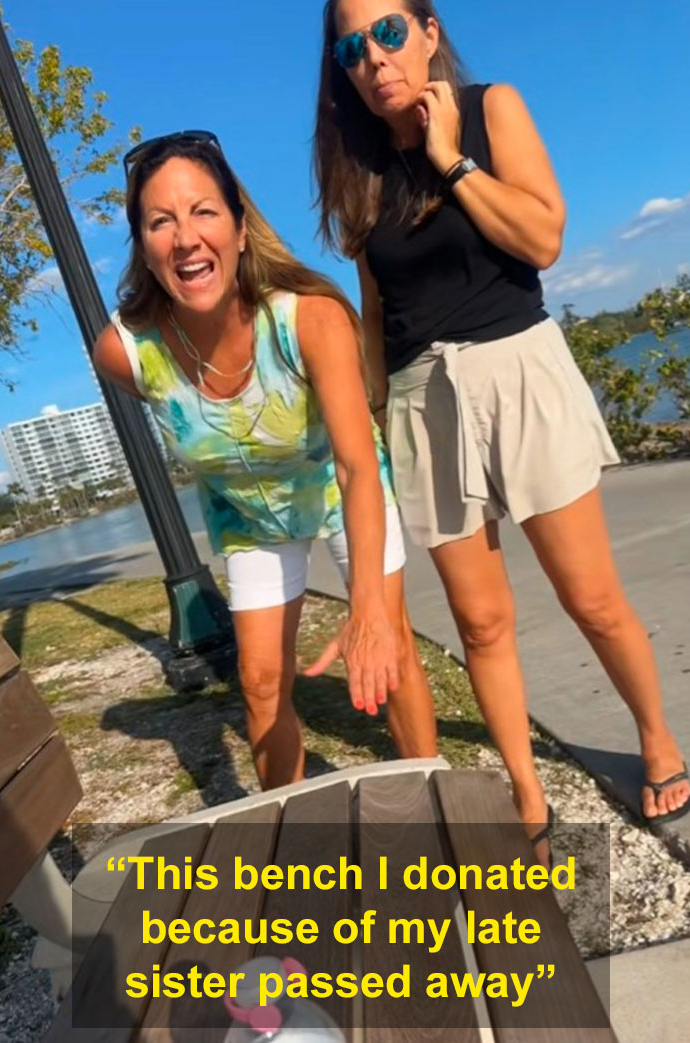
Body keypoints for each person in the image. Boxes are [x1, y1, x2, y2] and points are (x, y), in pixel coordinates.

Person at [313, 0, 690, 847]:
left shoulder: (493, 110)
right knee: (480, 622)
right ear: (342, 71)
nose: (374, 58)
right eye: (351, 48)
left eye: (388, 32)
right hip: (420, 399)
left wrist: (450, 163)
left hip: (517, 370)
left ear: (429, 32)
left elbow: (544, 236)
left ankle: (658, 738)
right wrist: (377, 417)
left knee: (590, 597)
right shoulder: (360, 180)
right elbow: (377, 316)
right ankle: (525, 788)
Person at [93, 130, 437, 791]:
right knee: (258, 682)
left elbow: (358, 467)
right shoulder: (126, 353)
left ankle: (429, 802)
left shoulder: (308, 320)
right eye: (160, 222)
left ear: (241, 230)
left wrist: (365, 608)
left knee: (389, 645)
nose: (185, 237)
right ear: (143, 247)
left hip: (341, 494)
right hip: (249, 516)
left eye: (203, 212)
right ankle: (292, 836)